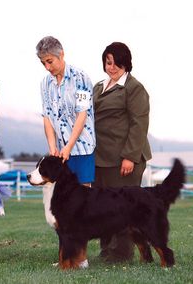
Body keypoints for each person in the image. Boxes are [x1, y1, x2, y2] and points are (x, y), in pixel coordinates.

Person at [93, 42, 152, 262]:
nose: (112, 67)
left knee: (122, 209)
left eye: (117, 62)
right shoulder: (99, 86)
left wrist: (130, 156)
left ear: (126, 63)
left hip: (124, 158)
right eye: (108, 62)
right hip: (101, 158)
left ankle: (121, 254)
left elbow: (139, 124)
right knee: (103, 208)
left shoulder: (134, 88)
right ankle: (106, 251)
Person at [36, 36, 95, 186]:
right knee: (64, 200)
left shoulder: (81, 78)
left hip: (82, 149)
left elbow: (82, 115)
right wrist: (52, 146)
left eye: (50, 61)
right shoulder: (45, 83)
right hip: (61, 153)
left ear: (61, 54)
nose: (47, 67)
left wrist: (69, 146)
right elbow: (47, 117)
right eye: (43, 63)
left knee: (83, 201)